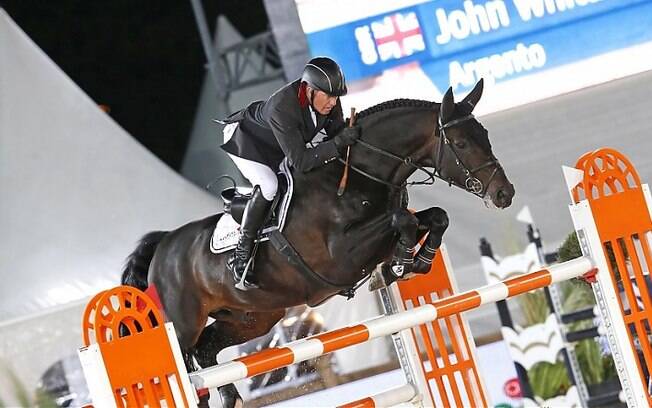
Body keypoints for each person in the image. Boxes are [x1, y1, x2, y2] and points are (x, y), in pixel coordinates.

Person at [219, 56, 361, 289]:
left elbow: (337, 133)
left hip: (276, 144)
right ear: (309, 90)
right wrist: (337, 145)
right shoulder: (282, 107)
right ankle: (241, 256)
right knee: (269, 186)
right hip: (245, 141)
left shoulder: (327, 99)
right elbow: (303, 161)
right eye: (328, 96)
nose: (333, 103)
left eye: (337, 97)